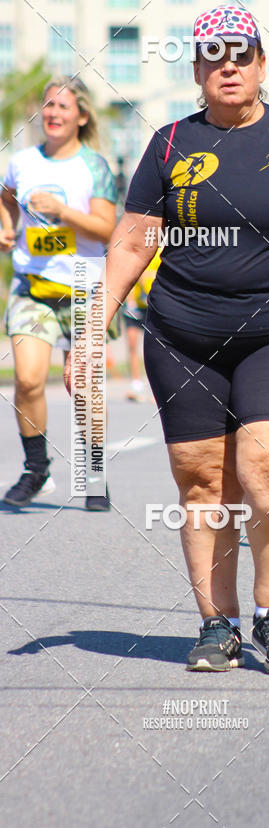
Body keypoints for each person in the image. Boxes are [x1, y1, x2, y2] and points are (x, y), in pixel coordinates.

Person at [65, 5, 269, 675]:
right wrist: (93, 327)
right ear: (198, 69)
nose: (228, 65)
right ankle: (217, 623)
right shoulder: (170, 143)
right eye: (213, 55)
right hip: (182, 336)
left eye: (241, 54)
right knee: (204, 482)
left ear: (262, 64)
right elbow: (132, 241)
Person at [1, 76, 117, 511]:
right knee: (29, 379)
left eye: (63, 107)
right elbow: (6, 196)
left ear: (81, 116)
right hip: (32, 287)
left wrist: (64, 211)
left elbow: (107, 228)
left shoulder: (94, 167)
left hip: (85, 285)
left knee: (84, 386)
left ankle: (94, 477)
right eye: (48, 106)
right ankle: (36, 470)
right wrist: (8, 228)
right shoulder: (23, 161)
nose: (52, 113)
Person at [122, 248, 161, 401]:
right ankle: (136, 384)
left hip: (154, 304)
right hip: (136, 304)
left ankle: (156, 388)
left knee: (155, 347)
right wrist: (130, 301)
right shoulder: (141, 247)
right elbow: (130, 275)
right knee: (132, 343)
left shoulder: (163, 251)